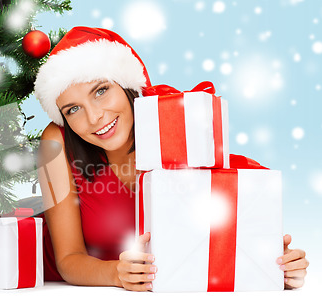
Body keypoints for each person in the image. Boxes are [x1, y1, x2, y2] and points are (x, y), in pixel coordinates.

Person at [34, 26, 309, 291]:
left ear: (128, 86)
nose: (94, 117)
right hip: (60, 285)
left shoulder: (174, 126)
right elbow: (68, 260)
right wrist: (116, 274)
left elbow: (216, 225)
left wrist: (274, 266)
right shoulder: (56, 141)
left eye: (101, 91)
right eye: (72, 110)